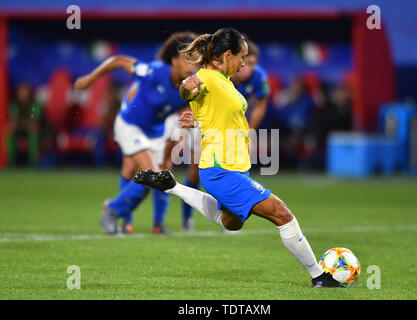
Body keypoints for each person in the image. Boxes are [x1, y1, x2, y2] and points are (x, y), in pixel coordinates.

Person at [133, 28, 345, 287]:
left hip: (232, 167)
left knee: (230, 222)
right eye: (242, 57)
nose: (244, 62)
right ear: (228, 54)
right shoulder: (207, 77)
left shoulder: (224, 81)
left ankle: (172, 186)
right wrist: (186, 90)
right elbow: (189, 91)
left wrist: (198, 119)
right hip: (221, 169)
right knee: (282, 214)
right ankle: (319, 277)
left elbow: (215, 113)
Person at [74, 32, 198, 235]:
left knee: (152, 183)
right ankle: (112, 212)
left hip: (156, 133)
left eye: (196, 60)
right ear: (174, 60)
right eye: (189, 59)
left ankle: (118, 210)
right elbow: (119, 60)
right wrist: (89, 79)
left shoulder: (190, 87)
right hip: (130, 126)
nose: (193, 65)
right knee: (154, 175)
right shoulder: (155, 71)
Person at [179, 38, 270, 232]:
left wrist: (250, 132)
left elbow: (261, 105)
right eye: (245, 59)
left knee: (236, 171)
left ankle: (227, 216)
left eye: (252, 62)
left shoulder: (256, 76)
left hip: (233, 134)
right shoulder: (219, 74)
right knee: (195, 171)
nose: (248, 67)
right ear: (231, 56)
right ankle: (187, 219)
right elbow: (194, 94)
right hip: (208, 129)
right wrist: (196, 120)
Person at [8, 82, 44, 167]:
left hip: (34, 131)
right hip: (19, 130)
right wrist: (20, 124)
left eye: (24, 92)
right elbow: (14, 121)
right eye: (21, 92)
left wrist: (22, 123)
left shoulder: (34, 105)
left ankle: (33, 163)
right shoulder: (14, 104)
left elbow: (33, 121)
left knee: (33, 132)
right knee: (9, 133)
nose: (23, 94)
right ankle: (11, 162)